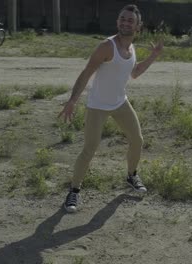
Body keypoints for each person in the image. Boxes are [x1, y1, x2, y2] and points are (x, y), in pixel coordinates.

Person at [58, 4, 163, 213]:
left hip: (120, 102)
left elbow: (134, 72)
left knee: (137, 139)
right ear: (117, 22)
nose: (125, 23)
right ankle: (73, 192)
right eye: (122, 19)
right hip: (97, 105)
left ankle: (132, 175)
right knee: (90, 148)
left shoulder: (131, 48)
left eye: (130, 20)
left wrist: (153, 55)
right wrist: (72, 100)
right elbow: (87, 72)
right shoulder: (107, 47)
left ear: (138, 26)